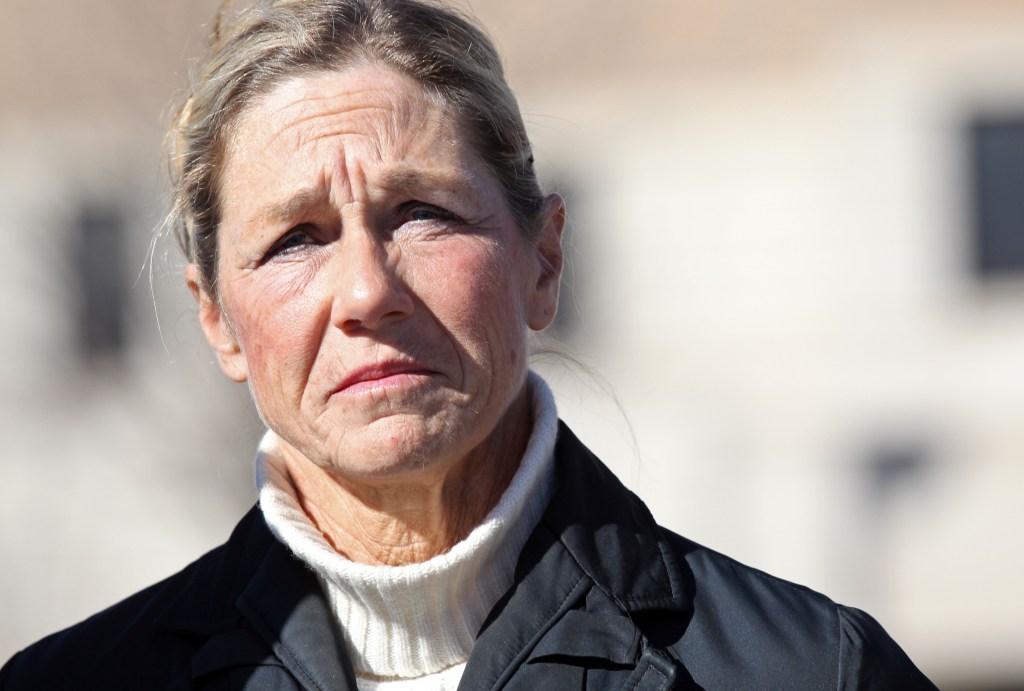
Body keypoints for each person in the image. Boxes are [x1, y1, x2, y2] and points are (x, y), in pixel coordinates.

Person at [0, 0, 938, 689]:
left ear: (544, 260)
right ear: (216, 318)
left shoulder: (813, 671)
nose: (366, 290)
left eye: (422, 213)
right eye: (295, 238)